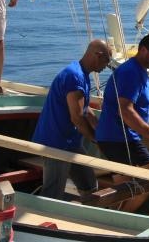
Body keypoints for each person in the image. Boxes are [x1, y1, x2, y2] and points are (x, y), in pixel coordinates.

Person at [95, 33, 149, 217]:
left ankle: (113, 219)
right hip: (120, 138)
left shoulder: (141, 73)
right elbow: (125, 110)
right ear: (143, 49)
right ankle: (129, 220)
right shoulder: (131, 72)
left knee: (126, 188)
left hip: (117, 138)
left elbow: (146, 106)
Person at [32, 39, 112, 201]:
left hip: (70, 143)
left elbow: (85, 109)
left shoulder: (82, 74)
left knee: (89, 185)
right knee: (52, 192)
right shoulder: (74, 76)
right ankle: (40, 216)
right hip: (56, 143)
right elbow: (77, 118)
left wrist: (101, 130)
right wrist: (96, 140)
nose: (106, 66)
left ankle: (88, 212)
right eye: (107, 61)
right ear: (98, 55)